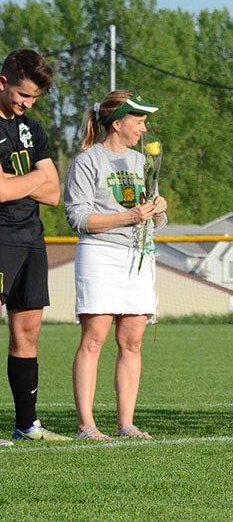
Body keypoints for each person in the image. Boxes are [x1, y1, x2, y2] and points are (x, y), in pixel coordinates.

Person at [64, 90, 168, 440]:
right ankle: (87, 426)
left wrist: (158, 210)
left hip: (138, 255)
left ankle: (126, 424)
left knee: (132, 342)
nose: (144, 126)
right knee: (94, 339)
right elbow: (77, 218)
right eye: (138, 120)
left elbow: (153, 220)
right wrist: (128, 216)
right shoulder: (87, 161)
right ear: (118, 122)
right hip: (100, 254)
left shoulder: (141, 163)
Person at [0, 49, 69, 444]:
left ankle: (27, 425)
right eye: (23, 95)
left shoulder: (32, 129)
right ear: (3, 82)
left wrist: (16, 182)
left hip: (31, 238)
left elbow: (54, 193)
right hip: (1, 239)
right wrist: (29, 181)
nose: (27, 104)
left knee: (27, 333)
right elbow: (2, 190)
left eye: (35, 99)